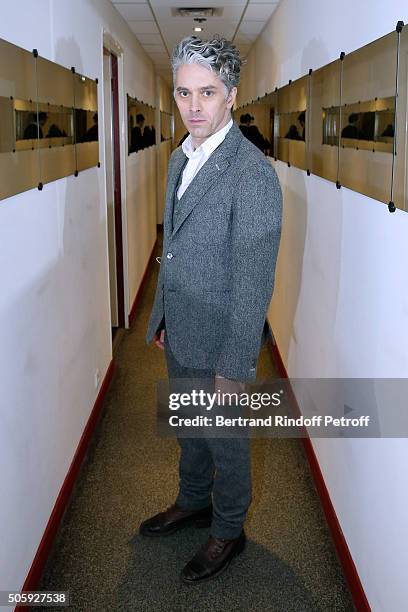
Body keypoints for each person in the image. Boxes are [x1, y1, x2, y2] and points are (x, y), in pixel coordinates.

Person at [141, 34, 283, 584]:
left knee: (226, 440)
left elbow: (253, 282)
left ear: (232, 96)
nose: (193, 106)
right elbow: (172, 246)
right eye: (183, 93)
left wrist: (235, 367)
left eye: (207, 93)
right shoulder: (182, 156)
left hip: (223, 339)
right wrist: (160, 318)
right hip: (182, 329)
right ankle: (193, 500)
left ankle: (228, 530)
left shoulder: (252, 176)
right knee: (189, 426)